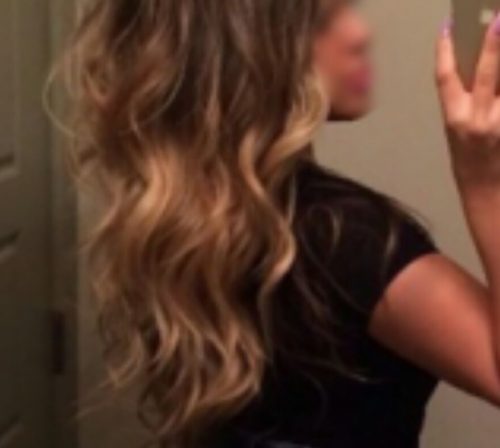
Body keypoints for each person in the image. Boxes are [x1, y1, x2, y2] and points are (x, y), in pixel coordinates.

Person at [52, 1, 500, 447]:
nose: (361, 34)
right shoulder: (345, 241)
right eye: (322, 21)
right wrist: (482, 179)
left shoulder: (186, 215)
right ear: (242, 50)